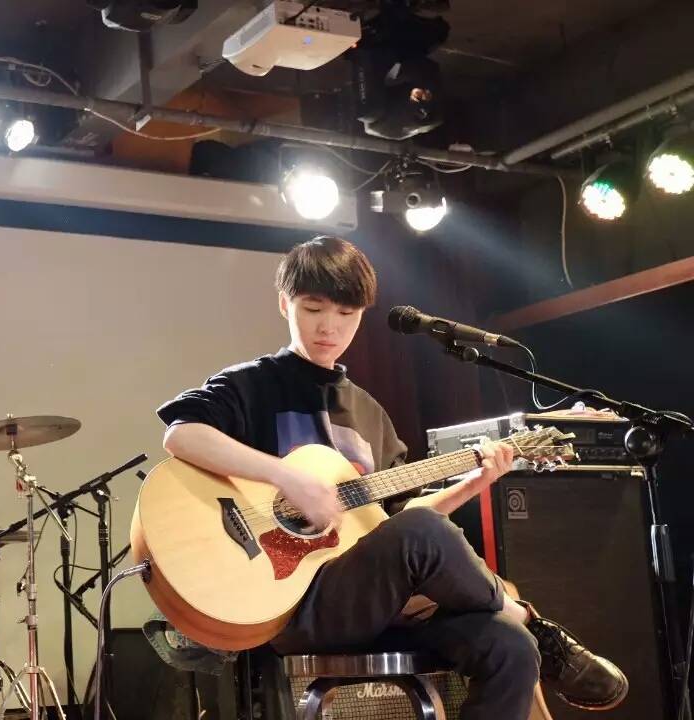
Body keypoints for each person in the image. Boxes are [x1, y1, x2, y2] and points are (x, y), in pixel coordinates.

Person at [156, 236, 627, 719]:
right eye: (313, 308)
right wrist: (286, 478)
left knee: (510, 648)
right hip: (294, 604)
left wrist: (474, 482)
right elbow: (182, 435)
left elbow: (402, 525)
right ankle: (528, 617)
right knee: (433, 544)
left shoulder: (370, 414)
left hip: (381, 601)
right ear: (284, 304)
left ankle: (523, 629)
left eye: (346, 313)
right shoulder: (250, 385)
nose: (329, 326)